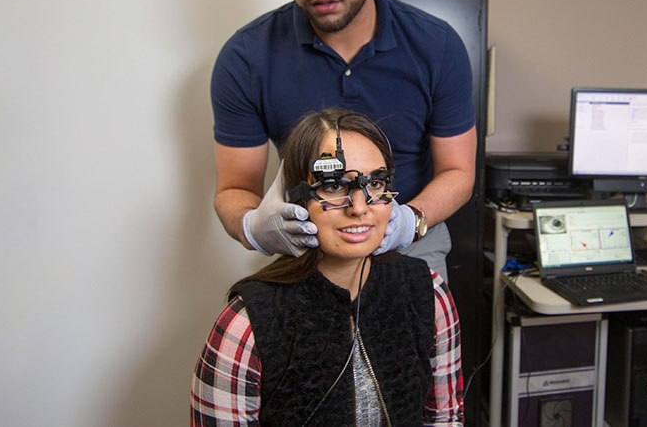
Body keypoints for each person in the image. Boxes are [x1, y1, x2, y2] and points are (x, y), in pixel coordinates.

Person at [211, 0, 476, 280]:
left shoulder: (437, 46)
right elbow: (234, 189)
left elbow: (458, 172)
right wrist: (252, 226)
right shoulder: (245, 57)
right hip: (310, 253)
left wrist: (410, 220)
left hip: (413, 249)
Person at [191, 108, 464, 426]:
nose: (360, 208)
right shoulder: (244, 327)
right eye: (333, 187)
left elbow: (445, 417)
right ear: (294, 200)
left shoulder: (429, 295)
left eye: (375, 183)